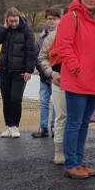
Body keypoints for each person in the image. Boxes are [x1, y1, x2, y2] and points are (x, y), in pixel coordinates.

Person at [56, 0, 95, 179]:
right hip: (78, 80)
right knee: (74, 122)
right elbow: (63, 46)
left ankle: (78, 162)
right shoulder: (71, 17)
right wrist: (77, 69)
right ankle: (71, 163)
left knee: (84, 123)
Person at [0, 7, 37, 138]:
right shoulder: (6, 30)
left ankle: (15, 126)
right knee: (6, 100)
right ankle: (8, 126)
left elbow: (31, 52)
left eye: (15, 21)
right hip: (4, 71)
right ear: (7, 20)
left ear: (19, 18)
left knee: (15, 99)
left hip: (20, 72)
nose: (14, 24)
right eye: (11, 21)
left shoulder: (27, 31)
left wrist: (29, 70)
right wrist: (4, 28)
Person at [37, 10, 68, 165]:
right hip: (58, 80)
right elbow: (41, 57)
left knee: (76, 119)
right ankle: (59, 151)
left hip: (78, 82)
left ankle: (74, 151)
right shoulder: (52, 36)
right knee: (61, 116)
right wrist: (51, 73)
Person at [32, 8, 61, 138]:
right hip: (44, 74)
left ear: (59, 20)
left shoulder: (62, 34)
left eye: (54, 19)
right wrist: (42, 70)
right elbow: (37, 55)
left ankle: (55, 127)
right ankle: (43, 127)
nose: (51, 21)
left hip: (57, 75)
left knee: (56, 102)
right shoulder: (41, 36)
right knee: (44, 101)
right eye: (49, 18)